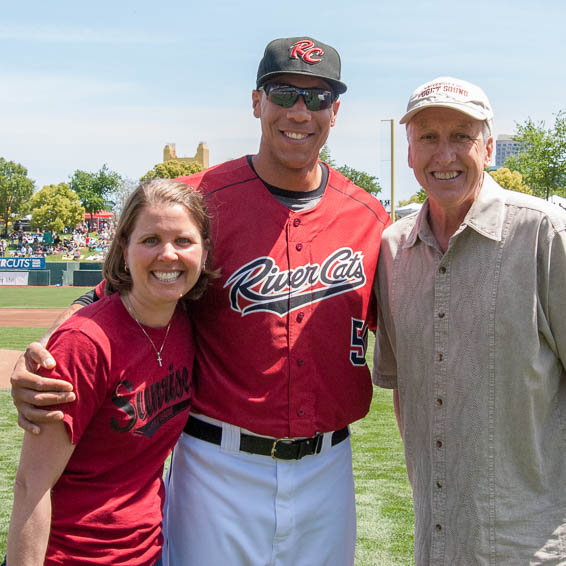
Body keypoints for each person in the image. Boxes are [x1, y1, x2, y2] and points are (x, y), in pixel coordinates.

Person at [10, 36, 391, 566]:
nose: (299, 111)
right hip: (218, 464)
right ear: (257, 102)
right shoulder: (197, 200)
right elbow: (103, 295)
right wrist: (46, 361)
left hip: (330, 465)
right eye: (283, 93)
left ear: (336, 111)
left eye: (318, 96)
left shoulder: (370, 216)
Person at [373, 76, 566, 564]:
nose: (445, 155)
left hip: (533, 545)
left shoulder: (543, 234)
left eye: (461, 136)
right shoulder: (394, 250)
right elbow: (404, 391)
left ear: (489, 146)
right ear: (409, 151)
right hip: (437, 540)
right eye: (429, 138)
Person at [6, 178, 215, 566]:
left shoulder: (187, 323)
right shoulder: (84, 343)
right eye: (150, 239)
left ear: (204, 252)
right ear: (124, 249)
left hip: (148, 552)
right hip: (70, 556)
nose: (168, 255)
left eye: (183, 241)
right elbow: (31, 486)